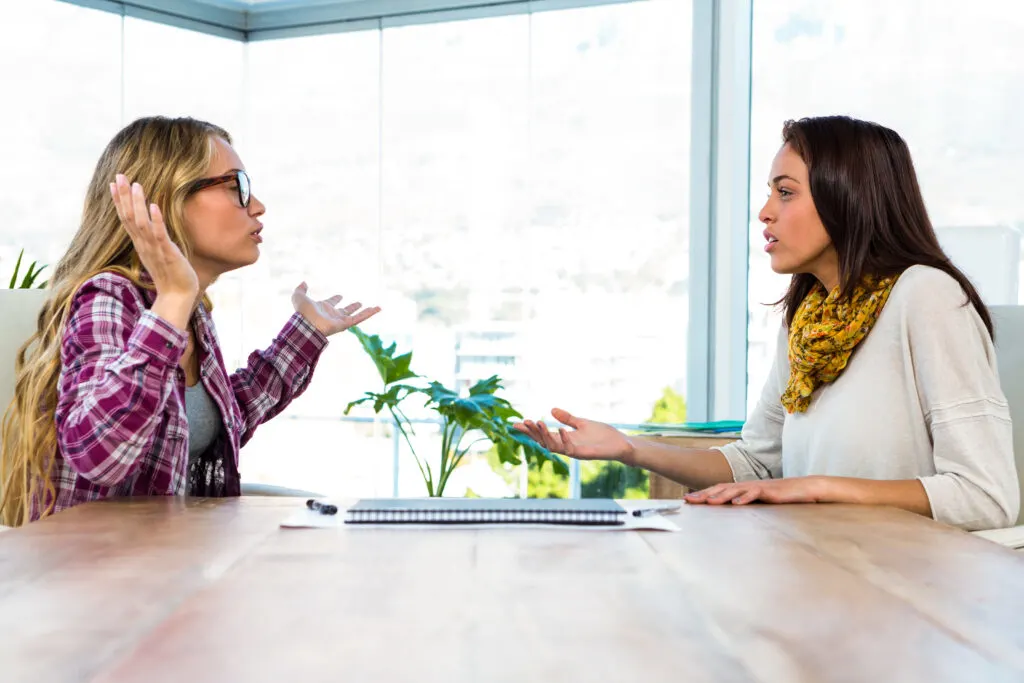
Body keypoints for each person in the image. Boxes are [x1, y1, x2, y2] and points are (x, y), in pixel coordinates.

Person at [515, 115, 1020, 532]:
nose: (764, 213)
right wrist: (627, 448)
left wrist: (817, 488)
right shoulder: (807, 319)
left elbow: (987, 497)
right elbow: (756, 464)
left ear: (845, 195)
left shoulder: (926, 296)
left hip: (913, 599)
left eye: (785, 193)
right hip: (826, 575)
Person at [0, 116, 380, 526]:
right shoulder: (109, 297)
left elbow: (220, 421)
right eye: (237, 187)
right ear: (168, 200)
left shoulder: (191, 312)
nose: (257, 206)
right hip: (95, 573)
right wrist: (174, 300)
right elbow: (99, 455)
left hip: (168, 563)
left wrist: (305, 334)